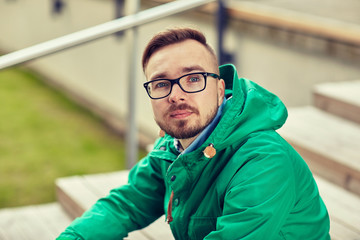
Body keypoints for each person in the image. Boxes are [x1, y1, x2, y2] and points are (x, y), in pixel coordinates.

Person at [57, 27, 330, 240]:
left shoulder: (263, 161)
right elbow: (125, 205)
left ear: (221, 90)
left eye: (193, 79)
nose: (176, 95)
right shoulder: (173, 148)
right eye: (161, 83)